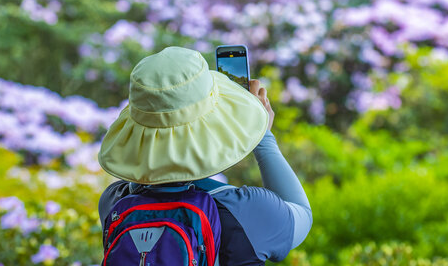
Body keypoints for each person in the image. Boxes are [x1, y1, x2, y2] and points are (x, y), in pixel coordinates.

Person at [97, 46, 312, 265]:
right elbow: (302, 213)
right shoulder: (247, 210)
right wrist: (263, 136)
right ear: (214, 126)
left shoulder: (114, 201)